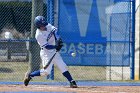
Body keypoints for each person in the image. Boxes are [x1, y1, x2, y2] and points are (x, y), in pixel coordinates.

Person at [24, 16, 77, 88]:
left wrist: (58, 40)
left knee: (63, 66)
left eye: (44, 24)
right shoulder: (38, 35)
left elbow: (55, 31)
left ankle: (72, 81)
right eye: (42, 25)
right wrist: (56, 47)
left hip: (54, 51)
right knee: (46, 72)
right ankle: (30, 75)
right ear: (38, 26)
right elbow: (47, 46)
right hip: (46, 53)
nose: (44, 26)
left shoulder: (47, 25)